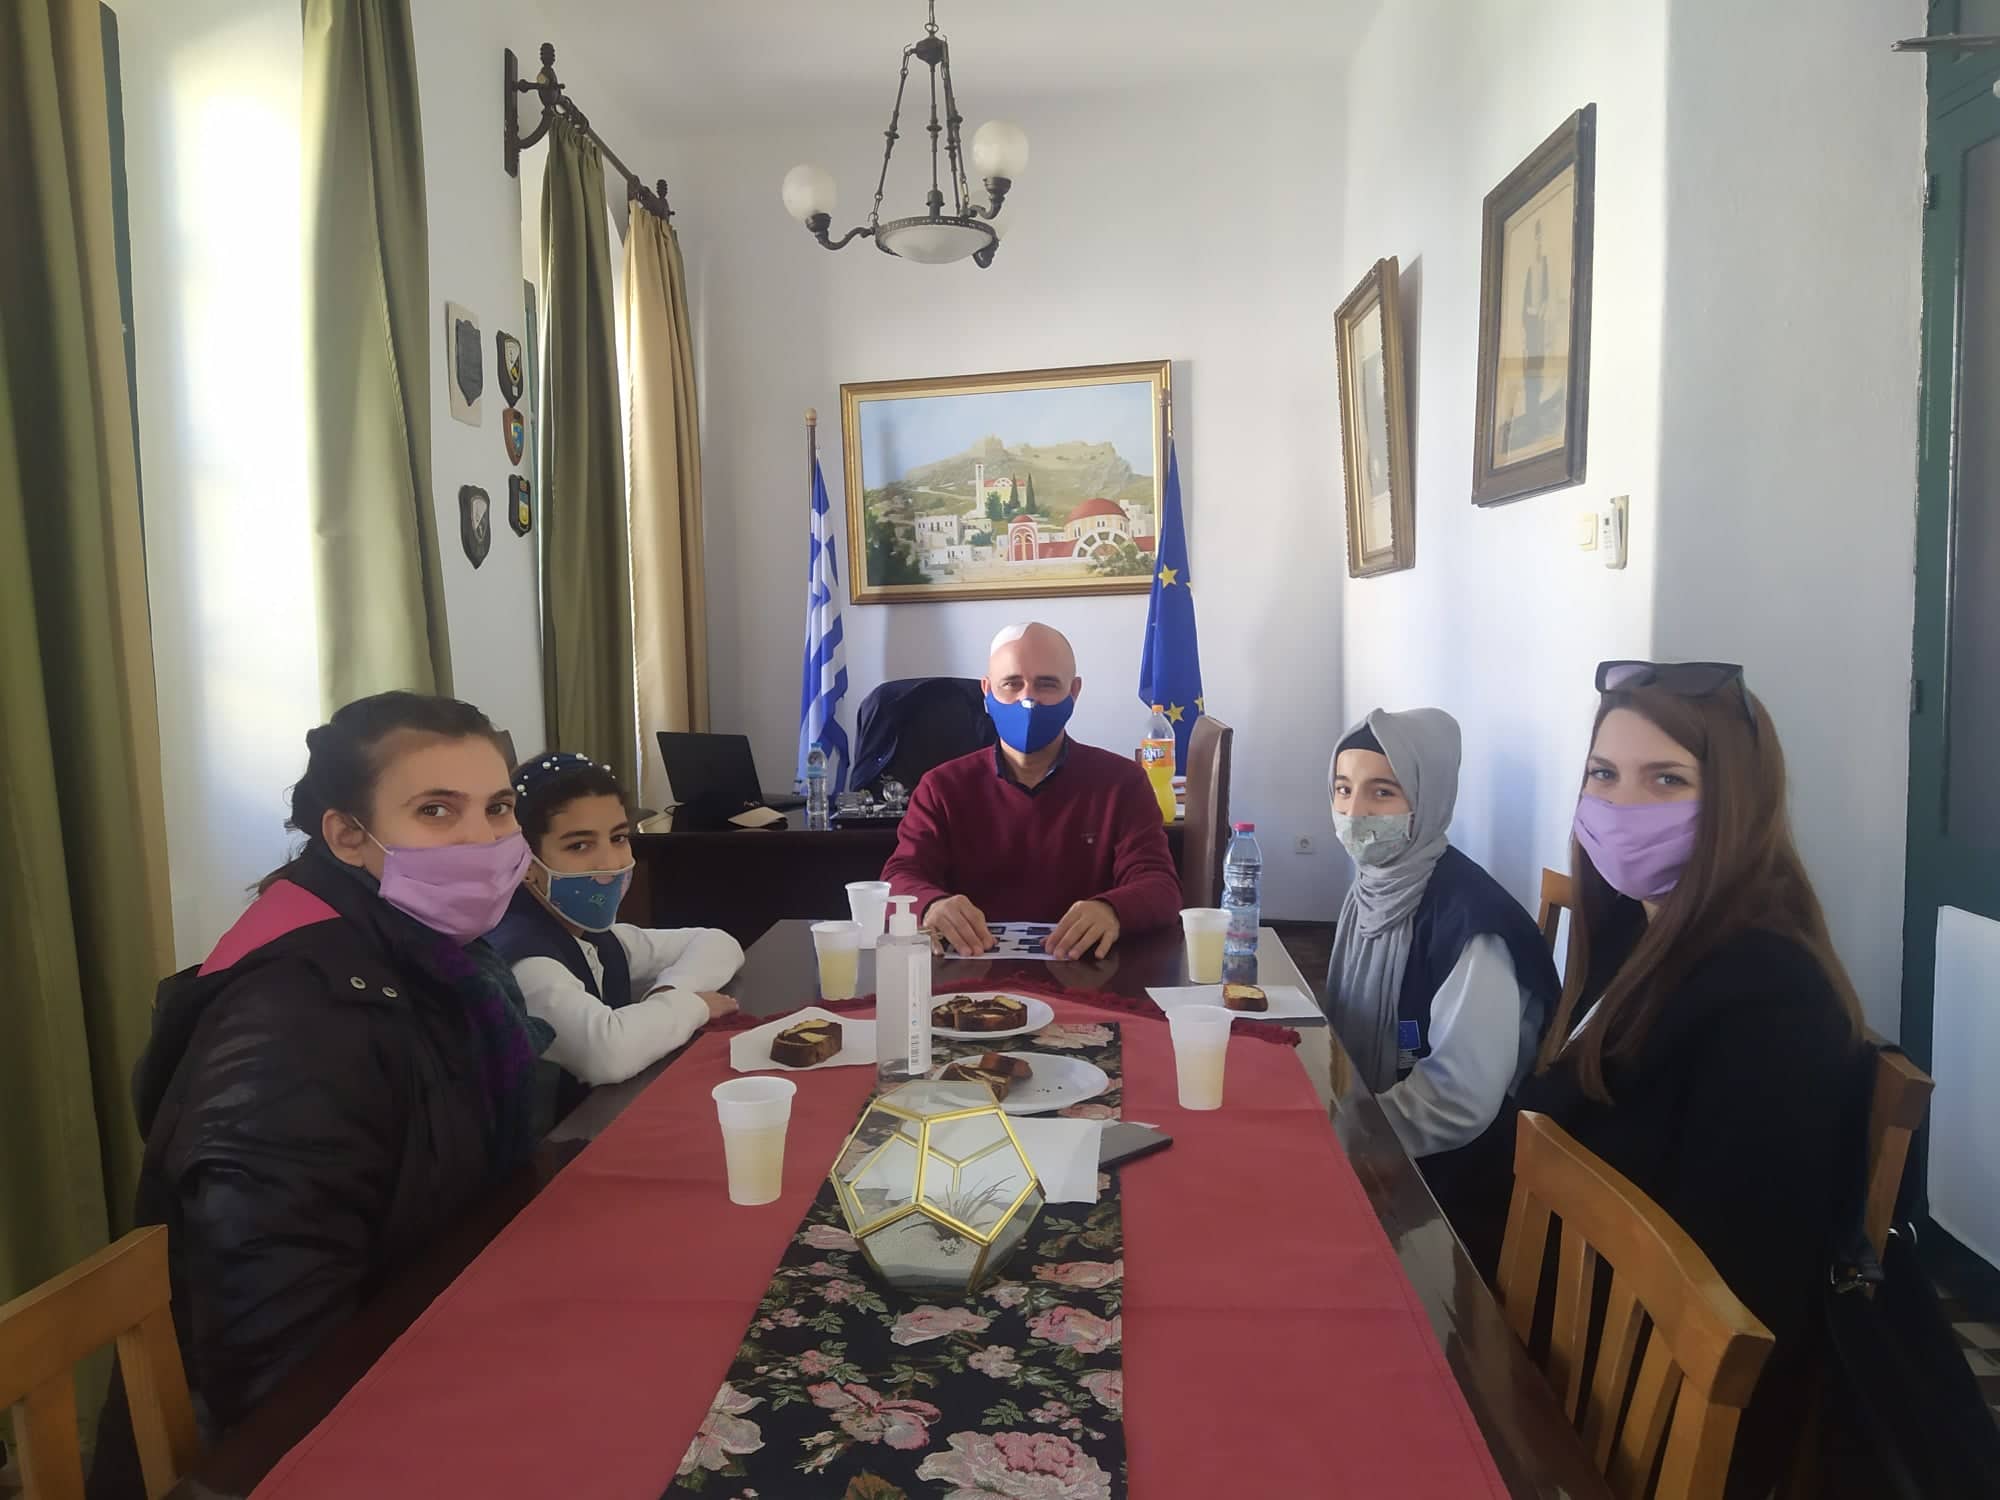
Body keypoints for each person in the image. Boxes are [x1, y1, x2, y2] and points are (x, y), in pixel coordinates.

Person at [98, 692, 552, 1487]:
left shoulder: (434, 952)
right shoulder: (295, 1022)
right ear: (346, 835)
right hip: (311, 1438)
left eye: (498, 807)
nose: (484, 839)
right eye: (436, 810)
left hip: (439, 1324)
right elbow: (275, 1360)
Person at [1512, 660, 1866, 1499]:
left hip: (1640, 1412)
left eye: (1666, 779)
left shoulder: (1772, 999)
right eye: (1604, 775)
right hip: (1564, 1323)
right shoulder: (1633, 933)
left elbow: (1728, 1298)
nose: (1622, 805)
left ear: (1736, 800)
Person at [1324, 708, 1559, 1243]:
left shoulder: (1473, 927)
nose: (1354, 812)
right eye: (1343, 789)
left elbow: (1458, 1100)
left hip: (1455, 1193)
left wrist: (1349, 1134)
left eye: (1382, 792)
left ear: (1427, 798)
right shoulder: (1376, 886)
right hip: (1384, 1141)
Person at [882, 621, 1181, 959]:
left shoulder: (1123, 782)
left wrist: (1112, 910)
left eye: (1046, 684)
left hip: (1087, 972)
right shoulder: (941, 787)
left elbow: (1161, 886)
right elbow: (900, 876)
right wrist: (930, 905)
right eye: (1012, 683)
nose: (1028, 699)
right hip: (969, 970)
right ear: (987, 691)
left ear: (1074, 692)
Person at [486, 751, 740, 1113]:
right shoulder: (525, 959)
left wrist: (670, 990)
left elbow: (717, 942)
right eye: (579, 845)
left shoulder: (595, 934)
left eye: (618, 838)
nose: (610, 864)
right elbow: (607, 1054)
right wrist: (694, 1005)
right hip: (555, 1144)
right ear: (523, 860)